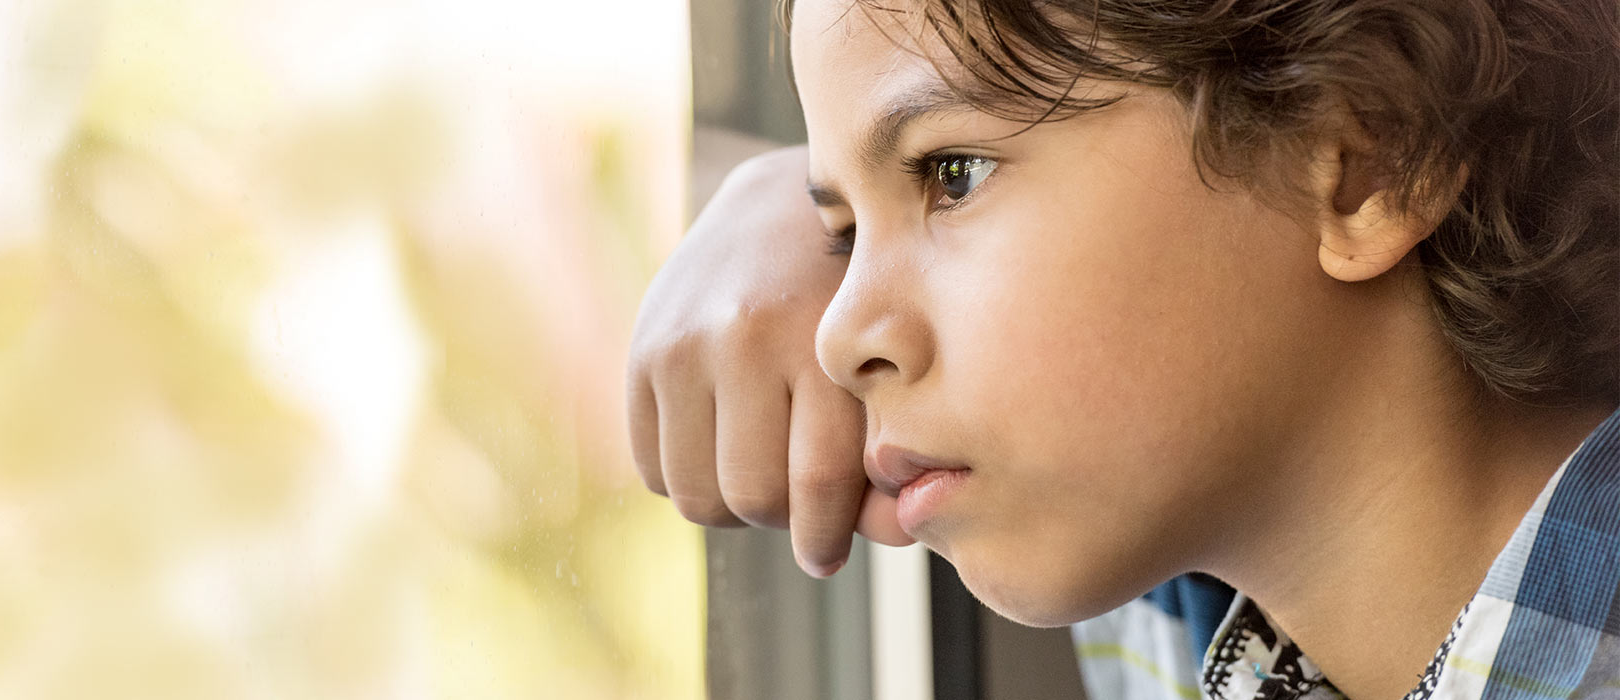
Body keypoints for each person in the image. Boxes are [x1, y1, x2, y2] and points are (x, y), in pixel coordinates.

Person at [625, 0, 1620, 698]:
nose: (841, 333)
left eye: (953, 173)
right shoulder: (1174, 552)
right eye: (843, 230)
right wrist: (783, 200)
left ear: (1366, 162)